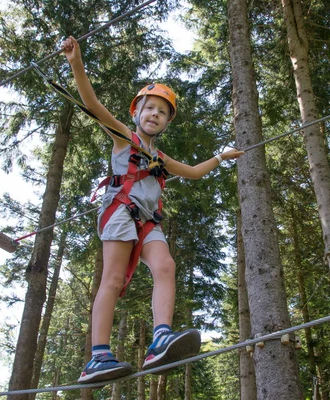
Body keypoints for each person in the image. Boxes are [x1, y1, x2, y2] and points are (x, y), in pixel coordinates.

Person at [62, 36, 244, 384]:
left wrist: (221, 157)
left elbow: (191, 172)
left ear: (166, 122)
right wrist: (76, 63)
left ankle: (161, 338)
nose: (155, 115)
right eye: (149, 109)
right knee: (113, 279)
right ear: (137, 112)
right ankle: (97, 357)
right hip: (120, 210)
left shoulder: (160, 158)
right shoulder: (123, 137)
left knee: (165, 265)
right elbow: (92, 103)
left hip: (147, 221)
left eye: (162, 112)